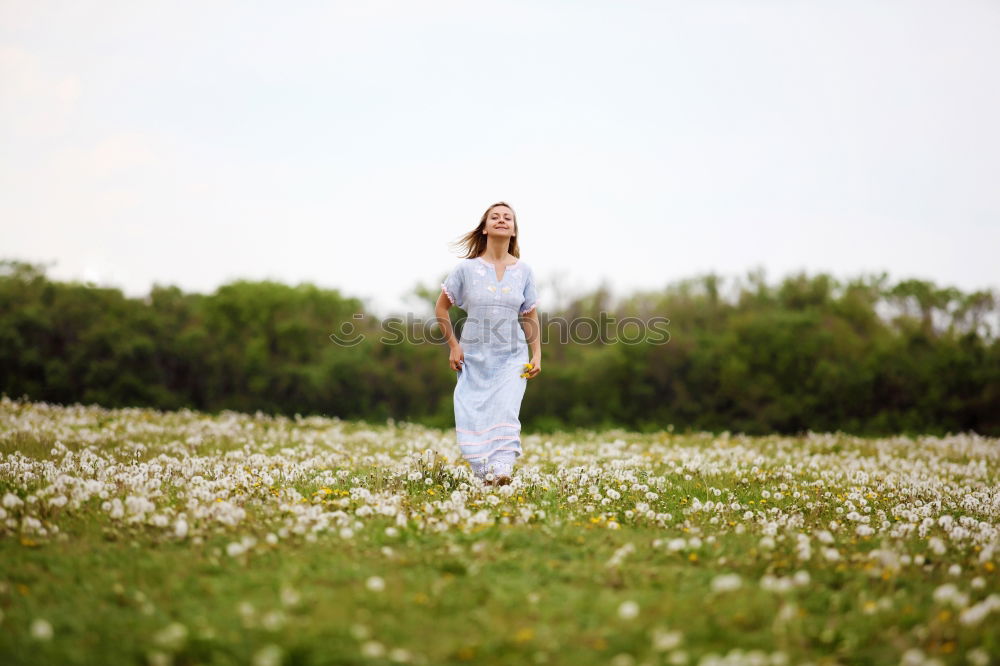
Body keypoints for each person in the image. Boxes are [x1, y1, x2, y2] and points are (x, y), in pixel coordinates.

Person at [434, 201, 542, 486]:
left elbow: (530, 316)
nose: (502, 220)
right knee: (472, 413)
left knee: (507, 409)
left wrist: (537, 354)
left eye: (508, 217)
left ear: (514, 230)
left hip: (513, 356)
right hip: (474, 356)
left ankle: (502, 469)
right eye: (495, 216)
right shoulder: (465, 270)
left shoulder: (525, 272)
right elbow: (441, 309)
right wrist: (454, 346)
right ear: (484, 227)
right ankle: (485, 474)